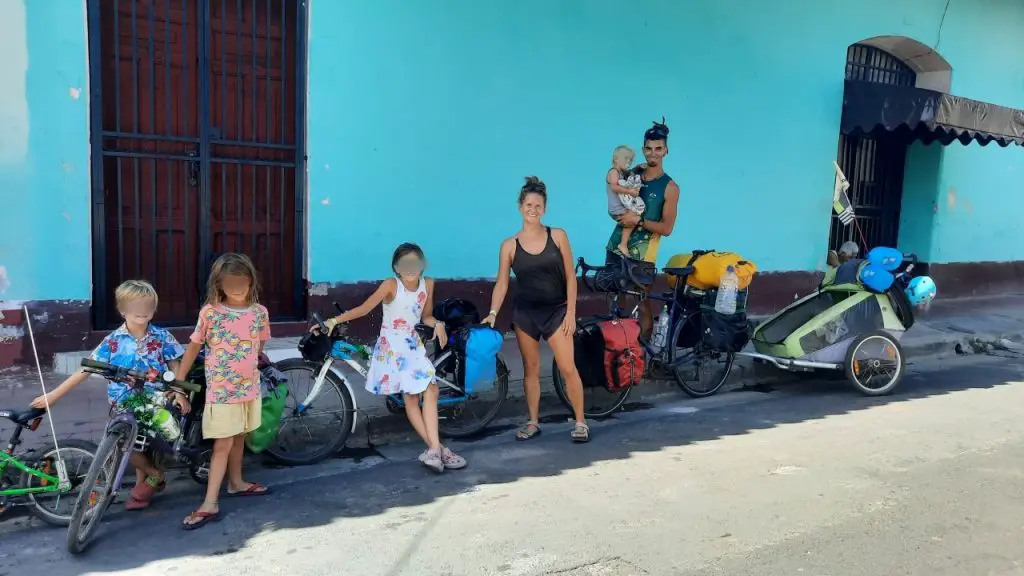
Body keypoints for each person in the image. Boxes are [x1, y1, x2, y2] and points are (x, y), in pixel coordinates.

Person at [31, 280, 190, 511]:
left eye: (147, 306)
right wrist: (52, 396)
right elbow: (86, 369)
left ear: (154, 309)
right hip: (123, 401)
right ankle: (154, 475)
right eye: (135, 306)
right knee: (125, 442)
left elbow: (175, 365)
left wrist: (179, 392)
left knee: (152, 443)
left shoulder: (161, 337)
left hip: (157, 399)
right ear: (123, 309)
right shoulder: (113, 341)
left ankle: (146, 482)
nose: (142, 311)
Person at [317, 243, 467, 473]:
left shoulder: (428, 284)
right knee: (411, 397)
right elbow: (364, 309)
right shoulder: (391, 285)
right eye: (405, 264)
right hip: (393, 346)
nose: (410, 268)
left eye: (415, 263)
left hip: (413, 343)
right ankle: (438, 449)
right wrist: (334, 321)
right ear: (396, 267)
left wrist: (438, 324)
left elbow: (425, 316)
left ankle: (435, 450)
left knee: (432, 390)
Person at [482, 176, 590, 442]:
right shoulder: (509, 245)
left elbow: (570, 277)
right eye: (528, 204)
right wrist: (493, 312)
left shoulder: (558, 235)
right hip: (526, 315)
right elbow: (502, 284)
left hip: (557, 312)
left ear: (545, 208)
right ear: (520, 206)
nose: (533, 209)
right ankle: (533, 421)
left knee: (567, 367)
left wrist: (572, 313)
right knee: (531, 369)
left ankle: (580, 422)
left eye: (538, 205)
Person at [176, 253, 271, 530]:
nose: (238, 287)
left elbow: (259, 347)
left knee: (240, 435)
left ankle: (237, 482)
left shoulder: (259, 312)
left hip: (249, 387)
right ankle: (209, 502)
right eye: (230, 283)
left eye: (242, 281)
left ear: (250, 281)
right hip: (222, 390)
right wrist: (180, 383)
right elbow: (194, 347)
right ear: (219, 284)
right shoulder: (211, 313)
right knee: (222, 444)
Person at [606, 118, 681, 337]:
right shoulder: (633, 173)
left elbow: (667, 228)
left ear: (666, 151)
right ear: (643, 150)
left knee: (641, 302)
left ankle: (643, 359)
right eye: (648, 148)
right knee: (613, 300)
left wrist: (637, 221)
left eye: (658, 149)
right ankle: (617, 356)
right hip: (616, 246)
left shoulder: (670, 187)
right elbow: (615, 195)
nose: (653, 153)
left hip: (643, 254)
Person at [606, 145, 645, 256]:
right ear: (616, 159)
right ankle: (623, 244)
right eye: (626, 159)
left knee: (635, 214)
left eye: (630, 160)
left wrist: (638, 168)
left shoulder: (622, 173)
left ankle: (623, 243)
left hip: (622, 206)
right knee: (633, 218)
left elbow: (630, 175)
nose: (628, 162)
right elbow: (614, 187)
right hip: (616, 208)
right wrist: (630, 192)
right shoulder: (613, 172)